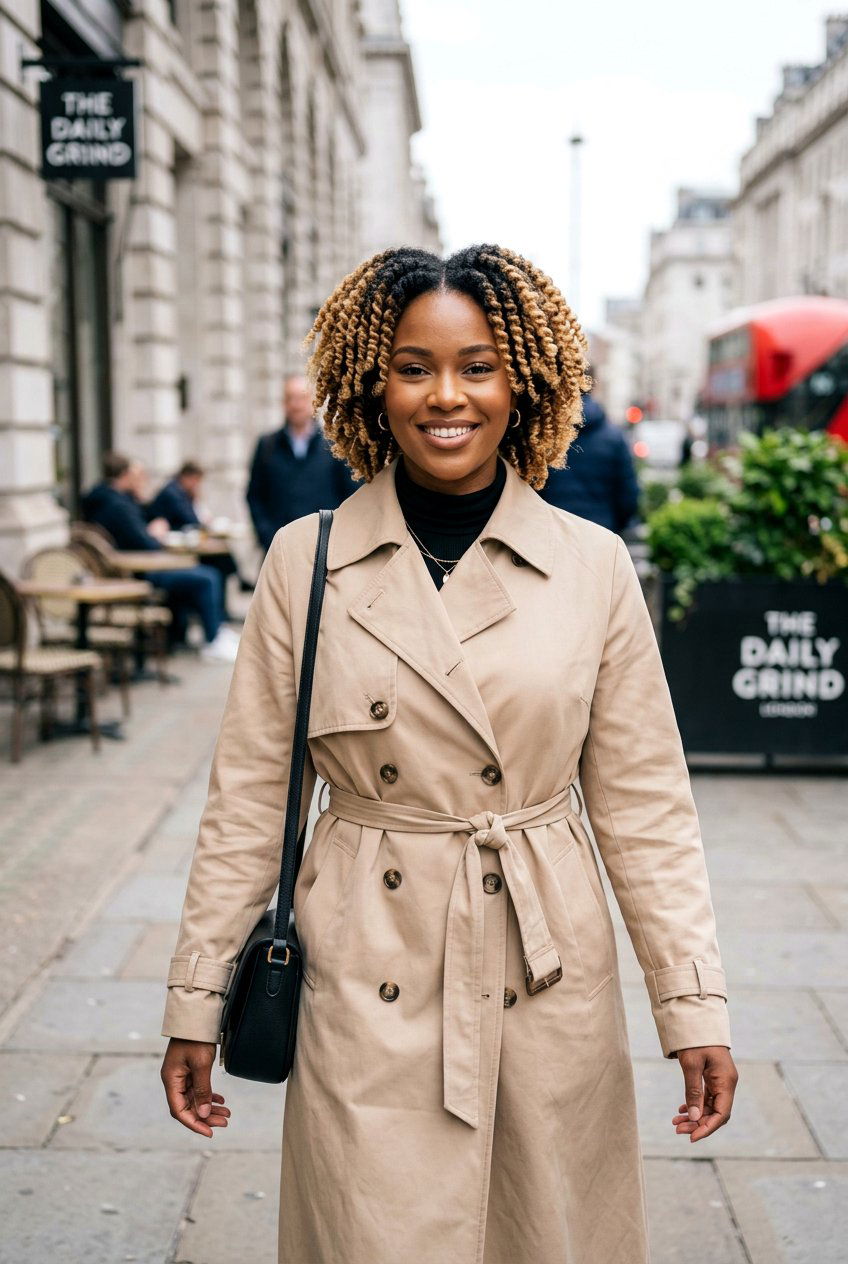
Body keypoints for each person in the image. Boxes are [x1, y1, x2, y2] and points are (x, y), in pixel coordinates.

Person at [160, 246, 737, 1264]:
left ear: (522, 380)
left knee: (542, 1234)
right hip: (361, 961)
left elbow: (644, 804)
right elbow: (251, 797)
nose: (445, 395)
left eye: (477, 364)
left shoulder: (591, 565)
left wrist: (690, 1003)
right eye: (412, 365)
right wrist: (197, 998)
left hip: (539, 960)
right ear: (368, 383)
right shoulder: (308, 557)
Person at [82, 454, 239, 663]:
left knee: (208, 571)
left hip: (136, 568)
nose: (142, 480)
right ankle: (213, 639)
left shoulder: (115, 501)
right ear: (126, 475)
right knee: (207, 577)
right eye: (137, 475)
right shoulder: (117, 506)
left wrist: (138, 499)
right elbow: (145, 543)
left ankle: (215, 631)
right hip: (137, 573)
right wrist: (154, 534)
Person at [246, 373, 355, 550]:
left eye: (301, 398)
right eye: (290, 398)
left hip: (324, 549)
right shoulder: (267, 446)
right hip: (278, 548)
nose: (295, 405)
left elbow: (350, 495)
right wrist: (267, 536)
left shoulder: (334, 447)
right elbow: (254, 496)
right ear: (283, 403)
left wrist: (337, 538)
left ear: (314, 401)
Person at [147, 461, 240, 621]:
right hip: (171, 554)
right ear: (188, 477)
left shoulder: (181, 493)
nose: (198, 485)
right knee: (215, 567)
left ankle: (219, 614)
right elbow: (191, 519)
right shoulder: (173, 493)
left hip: (179, 549)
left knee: (220, 558)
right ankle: (216, 617)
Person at [540, 387, 640, 533]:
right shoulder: (613, 437)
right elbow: (628, 494)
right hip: (601, 531)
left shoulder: (546, 436)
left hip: (555, 530)